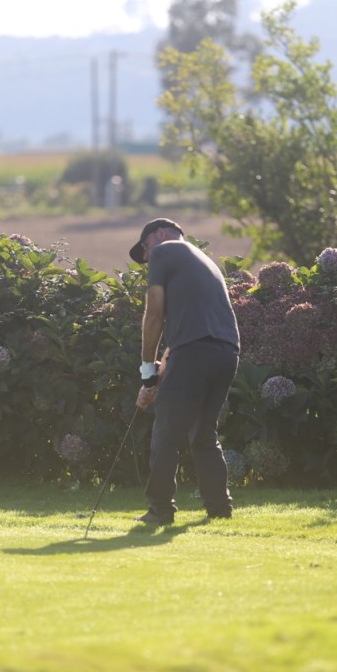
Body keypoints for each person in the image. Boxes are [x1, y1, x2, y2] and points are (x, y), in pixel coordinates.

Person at [129, 218, 240, 523]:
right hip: (226, 353)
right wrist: (155, 378)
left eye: (145, 248)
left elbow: (154, 315)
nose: (147, 257)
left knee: (166, 432)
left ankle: (160, 509)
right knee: (203, 434)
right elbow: (183, 335)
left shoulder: (164, 251)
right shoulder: (205, 262)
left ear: (160, 234)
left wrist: (147, 373)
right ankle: (219, 508)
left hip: (194, 352)